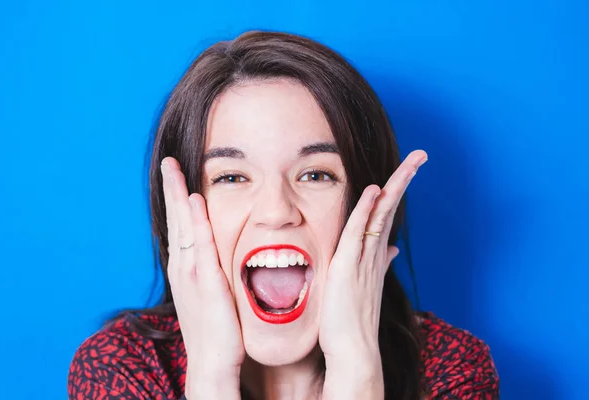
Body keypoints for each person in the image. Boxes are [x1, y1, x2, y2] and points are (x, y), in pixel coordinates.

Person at [68, 30, 499, 399]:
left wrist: (356, 370)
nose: (276, 213)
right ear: (177, 214)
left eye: (315, 174)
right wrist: (212, 377)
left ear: (368, 210)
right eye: (232, 178)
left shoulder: (450, 369)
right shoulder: (124, 366)